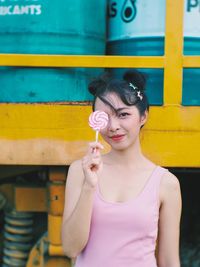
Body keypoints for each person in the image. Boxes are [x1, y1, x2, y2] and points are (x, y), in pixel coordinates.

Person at [61, 70, 182, 267]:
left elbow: (168, 261)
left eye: (123, 114)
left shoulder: (166, 183)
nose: (113, 126)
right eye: (105, 117)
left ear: (143, 116)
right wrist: (89, 187)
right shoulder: (80, 171)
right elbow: (71, 248)